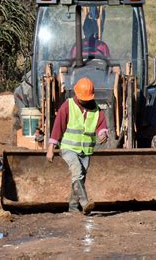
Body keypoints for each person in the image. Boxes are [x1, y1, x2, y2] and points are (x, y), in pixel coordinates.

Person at [45, 77, 108, 215]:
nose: (85, 101)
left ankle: (73, 208)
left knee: (79, 178)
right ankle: (85, 203)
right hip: (69, 148)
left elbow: (101, 125)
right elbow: (58, 127)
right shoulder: (67, 106)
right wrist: (51, 148)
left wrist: (103, 133)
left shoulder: (97, 110)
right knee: (77, 171)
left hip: (86, 151)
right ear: (77, 95)